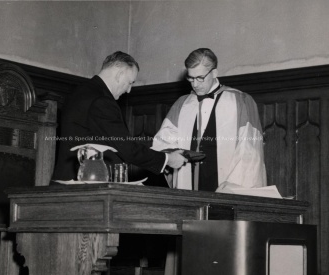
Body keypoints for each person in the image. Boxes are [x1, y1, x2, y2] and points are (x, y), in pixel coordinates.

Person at [52, 51, 187, 181]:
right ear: (119, 74)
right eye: (130, 83)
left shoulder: (80, 92)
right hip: (86, 185)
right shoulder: (102, 100)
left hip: (69, 181)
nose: (128, 91)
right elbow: (127, 149)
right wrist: (168, 159)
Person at [152, 48, 267, 192]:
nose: (195, 84)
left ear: (214, 73)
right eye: (191, 78)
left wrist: (232, 186)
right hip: (188, 178)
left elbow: (249, 150)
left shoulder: (240, 101)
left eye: (200, 78)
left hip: (225, 182)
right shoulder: (182, 104)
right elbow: (163, 141)